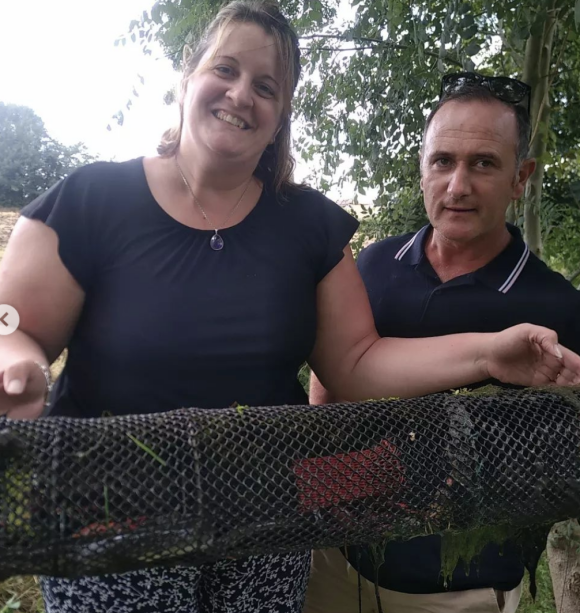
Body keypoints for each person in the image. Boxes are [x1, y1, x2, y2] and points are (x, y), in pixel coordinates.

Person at [0, 5, 578, 609]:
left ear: (280, 116)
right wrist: (18, 361)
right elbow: (13, 323)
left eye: (266, 86)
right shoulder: (92, 199)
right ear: (186, 79)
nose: (241, 94)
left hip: (265, 537)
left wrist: (490, 352)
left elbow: (355, 364)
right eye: (225, 69)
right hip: (112, 528)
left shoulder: (310, 226)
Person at [306, 72, 580, 613]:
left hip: (462, 591)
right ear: (423, 168)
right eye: (443, 161)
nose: (458, 186)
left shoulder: (556, 308)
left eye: (483, 163)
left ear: (520, 178)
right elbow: (328, 381)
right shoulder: (374, 264)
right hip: (337, 564)